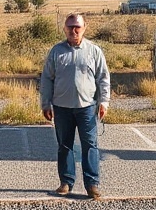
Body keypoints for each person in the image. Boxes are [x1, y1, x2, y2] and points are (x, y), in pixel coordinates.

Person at [39, 12, 110, 199]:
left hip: (87, 107)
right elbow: (47, 78)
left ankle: (92, 184)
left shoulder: (94, 51)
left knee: (90, 145)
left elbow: (103, 78)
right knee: (65, 145)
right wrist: (45, 103)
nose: (74, 30)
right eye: (70, 27)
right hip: (62, 108)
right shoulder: (56, 51)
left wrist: (104, 102)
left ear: (84, 28)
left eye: (77, 26)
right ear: (64, 29)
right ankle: (66, 182)